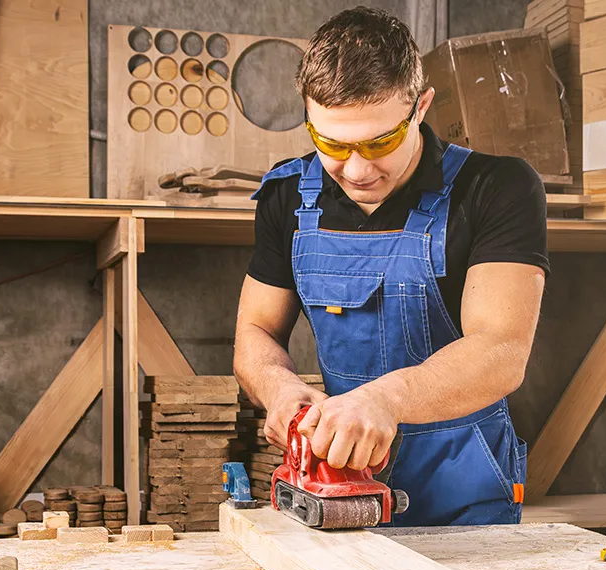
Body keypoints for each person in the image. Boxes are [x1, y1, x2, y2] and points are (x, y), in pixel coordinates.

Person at [233, 6, 548, 526]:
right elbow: (255, 328)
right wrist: (279, 388)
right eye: (331, 143)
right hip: (338, 477)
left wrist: (384, 400)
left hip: (462, 481)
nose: (356, 170)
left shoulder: (496, 188)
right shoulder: (288, 195)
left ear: (420, 107)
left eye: (380, 142)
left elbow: (502, 349)